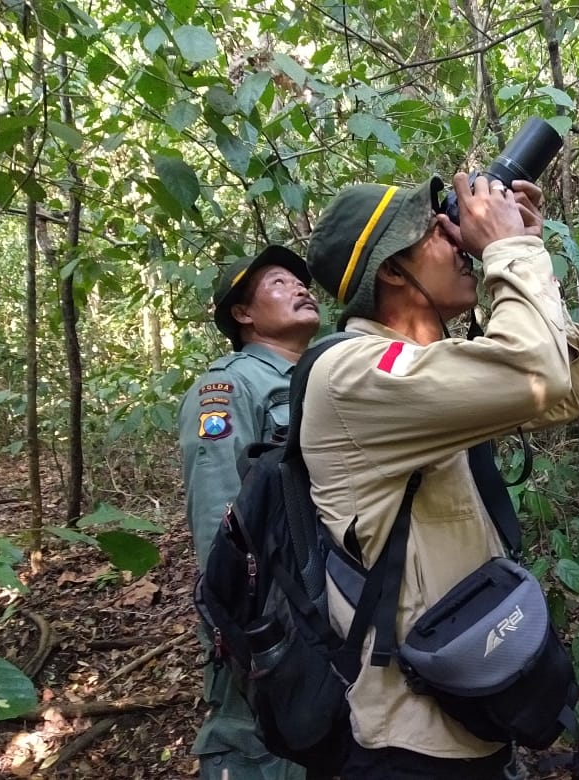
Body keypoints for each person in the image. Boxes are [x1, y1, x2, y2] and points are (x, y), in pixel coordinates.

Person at [302, 172, 579, 778]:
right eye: (435, 229)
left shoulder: (415, 367)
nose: (457, 235)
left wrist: (525, 251)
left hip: (468, 700)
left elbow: (562, 390)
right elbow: (537, 377)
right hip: (411, 742)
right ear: (391, 271)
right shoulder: (354, 373)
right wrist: (510, 250)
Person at [178, 245, 320, 780]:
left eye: (300, 282)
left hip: (327, 599)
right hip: (270, 612)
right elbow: (218, 511)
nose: (299, 288)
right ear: (243, 313)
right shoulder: (229, 386)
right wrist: (242, 621)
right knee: (257, 741)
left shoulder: (322, 374)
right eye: (279, 283)